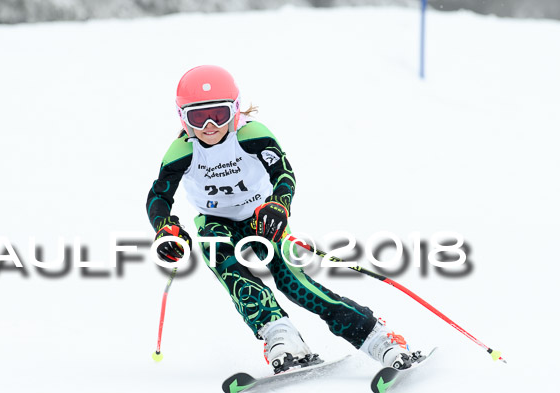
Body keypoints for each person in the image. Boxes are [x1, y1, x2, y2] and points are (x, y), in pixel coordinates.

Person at [146, 65, 416, 373]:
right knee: (232, 274)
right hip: (215, 221)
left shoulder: (252, 135)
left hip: (262, 217)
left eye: (219, 115)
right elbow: (158, 198)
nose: (210, 125)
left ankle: (377, 337)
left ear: (235, 109)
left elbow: (284, 174)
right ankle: (279, 335)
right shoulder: (181, 152)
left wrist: (279, 204)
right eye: (198, 117)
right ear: (183, 117)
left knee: (295, 284)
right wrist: (165, 230)